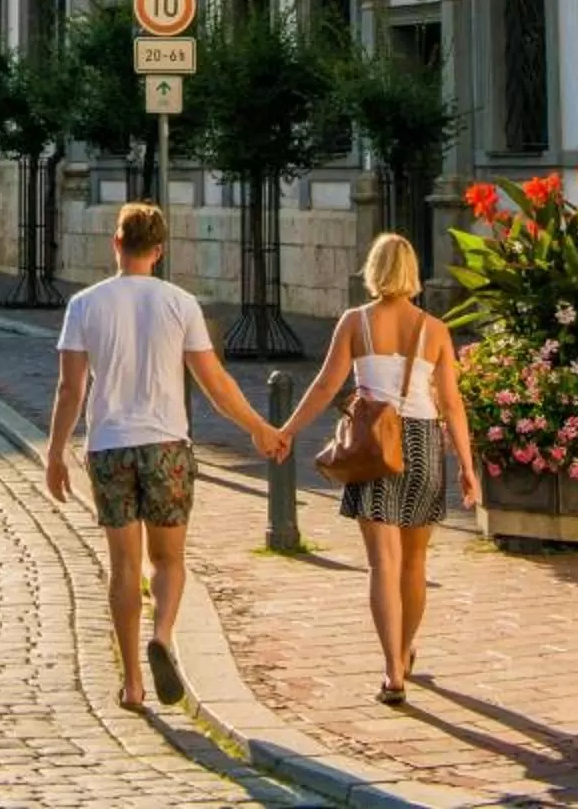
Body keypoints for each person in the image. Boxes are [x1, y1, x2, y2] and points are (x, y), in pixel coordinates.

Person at [45, 199, 290, 714]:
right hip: (167, 448)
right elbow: (216, 384)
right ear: (158, 251)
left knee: (123, 568)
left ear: (116, 243)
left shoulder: (84, 306)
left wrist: (55, 454)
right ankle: (163, 634)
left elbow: (70, 391)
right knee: (169, 560)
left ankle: (132, 682)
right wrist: (260, 427)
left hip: (109, 446)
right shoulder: (180, 304)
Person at [281, 230, 480, 706]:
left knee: (382, 564)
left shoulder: (355, 322)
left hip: (375, 445)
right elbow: (452, 404)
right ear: (412, 273)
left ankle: (392, 669)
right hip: (422, 441)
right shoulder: (435, 330)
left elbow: (326, 387)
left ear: (373, 270)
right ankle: (407, 649)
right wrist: (468, 467)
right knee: (414, 562)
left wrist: (286, 430)